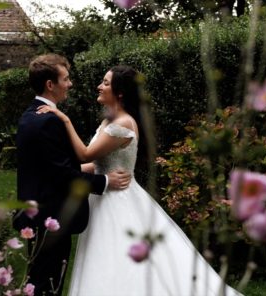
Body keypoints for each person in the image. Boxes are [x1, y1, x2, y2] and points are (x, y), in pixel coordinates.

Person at [36, 65, 243, 296]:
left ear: (120, 92)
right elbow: (96, 165)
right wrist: (60, 173)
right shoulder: (110, 121)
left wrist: (64, 120)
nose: (99, 86)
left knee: (119, 257)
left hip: (118, 199)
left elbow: (85, 154)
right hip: (105, 195)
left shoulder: (123, 124)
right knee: (105, 257)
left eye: (105, 83)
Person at [13, 54, 132, 296]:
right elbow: (62, 175)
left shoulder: (31, 115)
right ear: (50, 84)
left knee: (39, 282)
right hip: (51, 217)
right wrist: (106, 181)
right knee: (46, 285)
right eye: (65, 79)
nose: (70, 84)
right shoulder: (48, 120)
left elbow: (51, 168)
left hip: (39, 213)